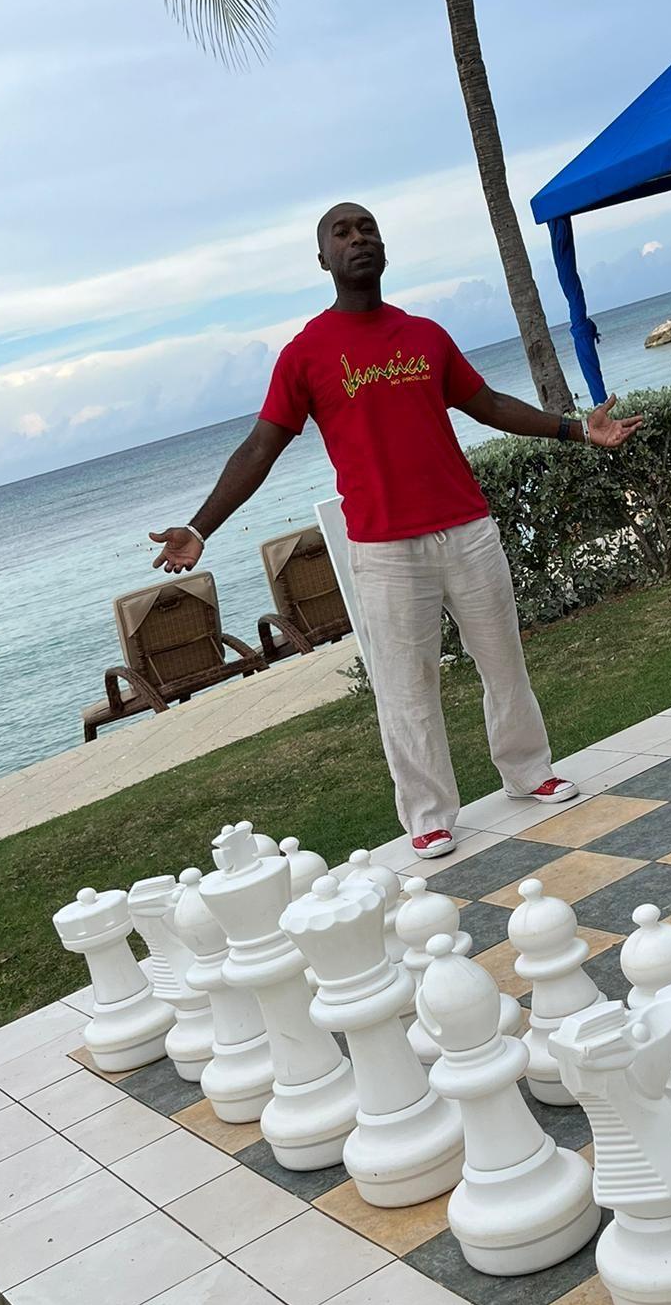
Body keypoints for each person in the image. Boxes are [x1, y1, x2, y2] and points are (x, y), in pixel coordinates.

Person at [150, 201, 641, 859]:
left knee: (504, 663)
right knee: (407, 686)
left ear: (383, 247)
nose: (358, 240)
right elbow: (260, 447)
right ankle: (430, 814)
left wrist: (577, 428)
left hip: (465, 530)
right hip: (383, 549)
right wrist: (201, 528)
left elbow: (488, 405)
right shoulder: (305, 355)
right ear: (323, 258)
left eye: (368, 230)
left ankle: (528, 773)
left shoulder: (425, 336)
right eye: (342, 234)